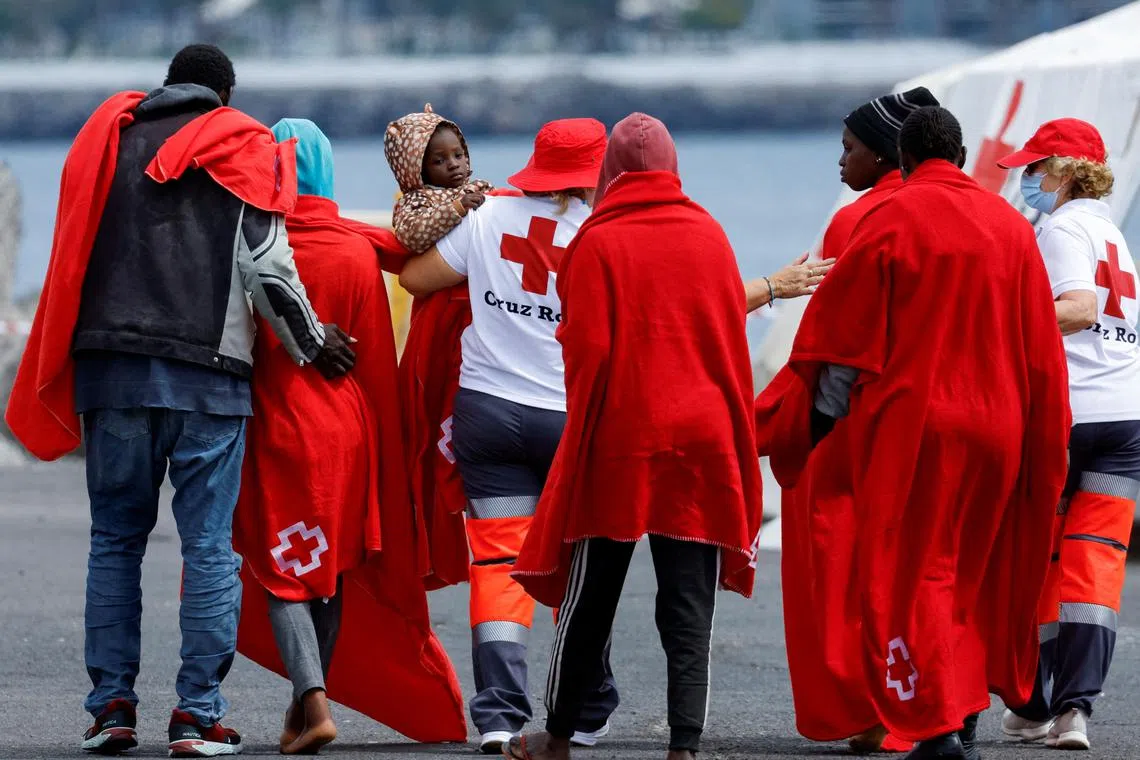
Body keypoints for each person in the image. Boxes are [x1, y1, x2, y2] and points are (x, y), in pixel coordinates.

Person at [4, 45, 355, 758]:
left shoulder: (110, 139)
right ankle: (196, 717)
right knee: (207, 549)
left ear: (170, 86)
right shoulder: (243, 144)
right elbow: (268, 269)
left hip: (111, 373)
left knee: (114, 543)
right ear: (224, 93)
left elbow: (70, 249)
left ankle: (111, 711)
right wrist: (314, 344)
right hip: (207, 377)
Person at [765, 106, 1070, 760]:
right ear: (961, 156)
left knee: (911, 574)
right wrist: (1044, 439)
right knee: (967, 573)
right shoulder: (1011, 227)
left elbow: (843, 345)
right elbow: (1040, 347)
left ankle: (933, 726)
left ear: (901, 161)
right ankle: (959, 709)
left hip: (917, 428)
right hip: (1001, 424)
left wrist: (812, 426)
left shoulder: (888, 220)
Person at [505, 113, 764, 760]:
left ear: (610, 172)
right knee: (688, 603)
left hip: (624, 430)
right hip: (701, 435)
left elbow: (585, 351)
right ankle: (684, 746)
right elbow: (730, 343)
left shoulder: (598, 239)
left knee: (590, 595)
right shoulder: (710, 234)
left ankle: (558, 737)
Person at [230, 118, 466, 755]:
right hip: (352, 434)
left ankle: (314, 702)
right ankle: (303, 708)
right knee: (325, 570)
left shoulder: (256, 245)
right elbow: (384, 355)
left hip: (283, 426)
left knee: (282, 569)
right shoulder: (361, 247)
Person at [398, 118, 619, 754]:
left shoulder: (487, 218)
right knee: (577, 570)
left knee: (498, 567)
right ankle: (587, 707)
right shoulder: (598, 233)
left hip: (487, 416)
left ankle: (498, 717)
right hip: (565, 423)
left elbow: (415, 278)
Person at [752, 86, 940, 755]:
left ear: (885, 151)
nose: (840, 162)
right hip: (934, 414)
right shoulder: (944, 207)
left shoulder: (860, 217)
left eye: (850, 148)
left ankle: (863, 707)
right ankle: (921, 702)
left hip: (857, 418)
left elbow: (835, 337)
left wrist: (787, 422)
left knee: (839, 563)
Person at [996, 119, 1139, 751]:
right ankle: (1074, 711)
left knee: (1041, 562)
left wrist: (994, 320)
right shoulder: (1113, 232)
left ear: (1064, 171)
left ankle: (1034, 702)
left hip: (1069, 418)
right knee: (1097, 568)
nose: (1029, 179)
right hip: (1126, 420)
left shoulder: (1059, 227)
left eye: (1037, 168)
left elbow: (1077, 309)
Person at [385, 103, 493, 253]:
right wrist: (455, 208)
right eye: (439, 161)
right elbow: (413, 236)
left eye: (458, 155)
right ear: (417, 170)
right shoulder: (417, 201)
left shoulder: (480, 188)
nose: (454, 164)